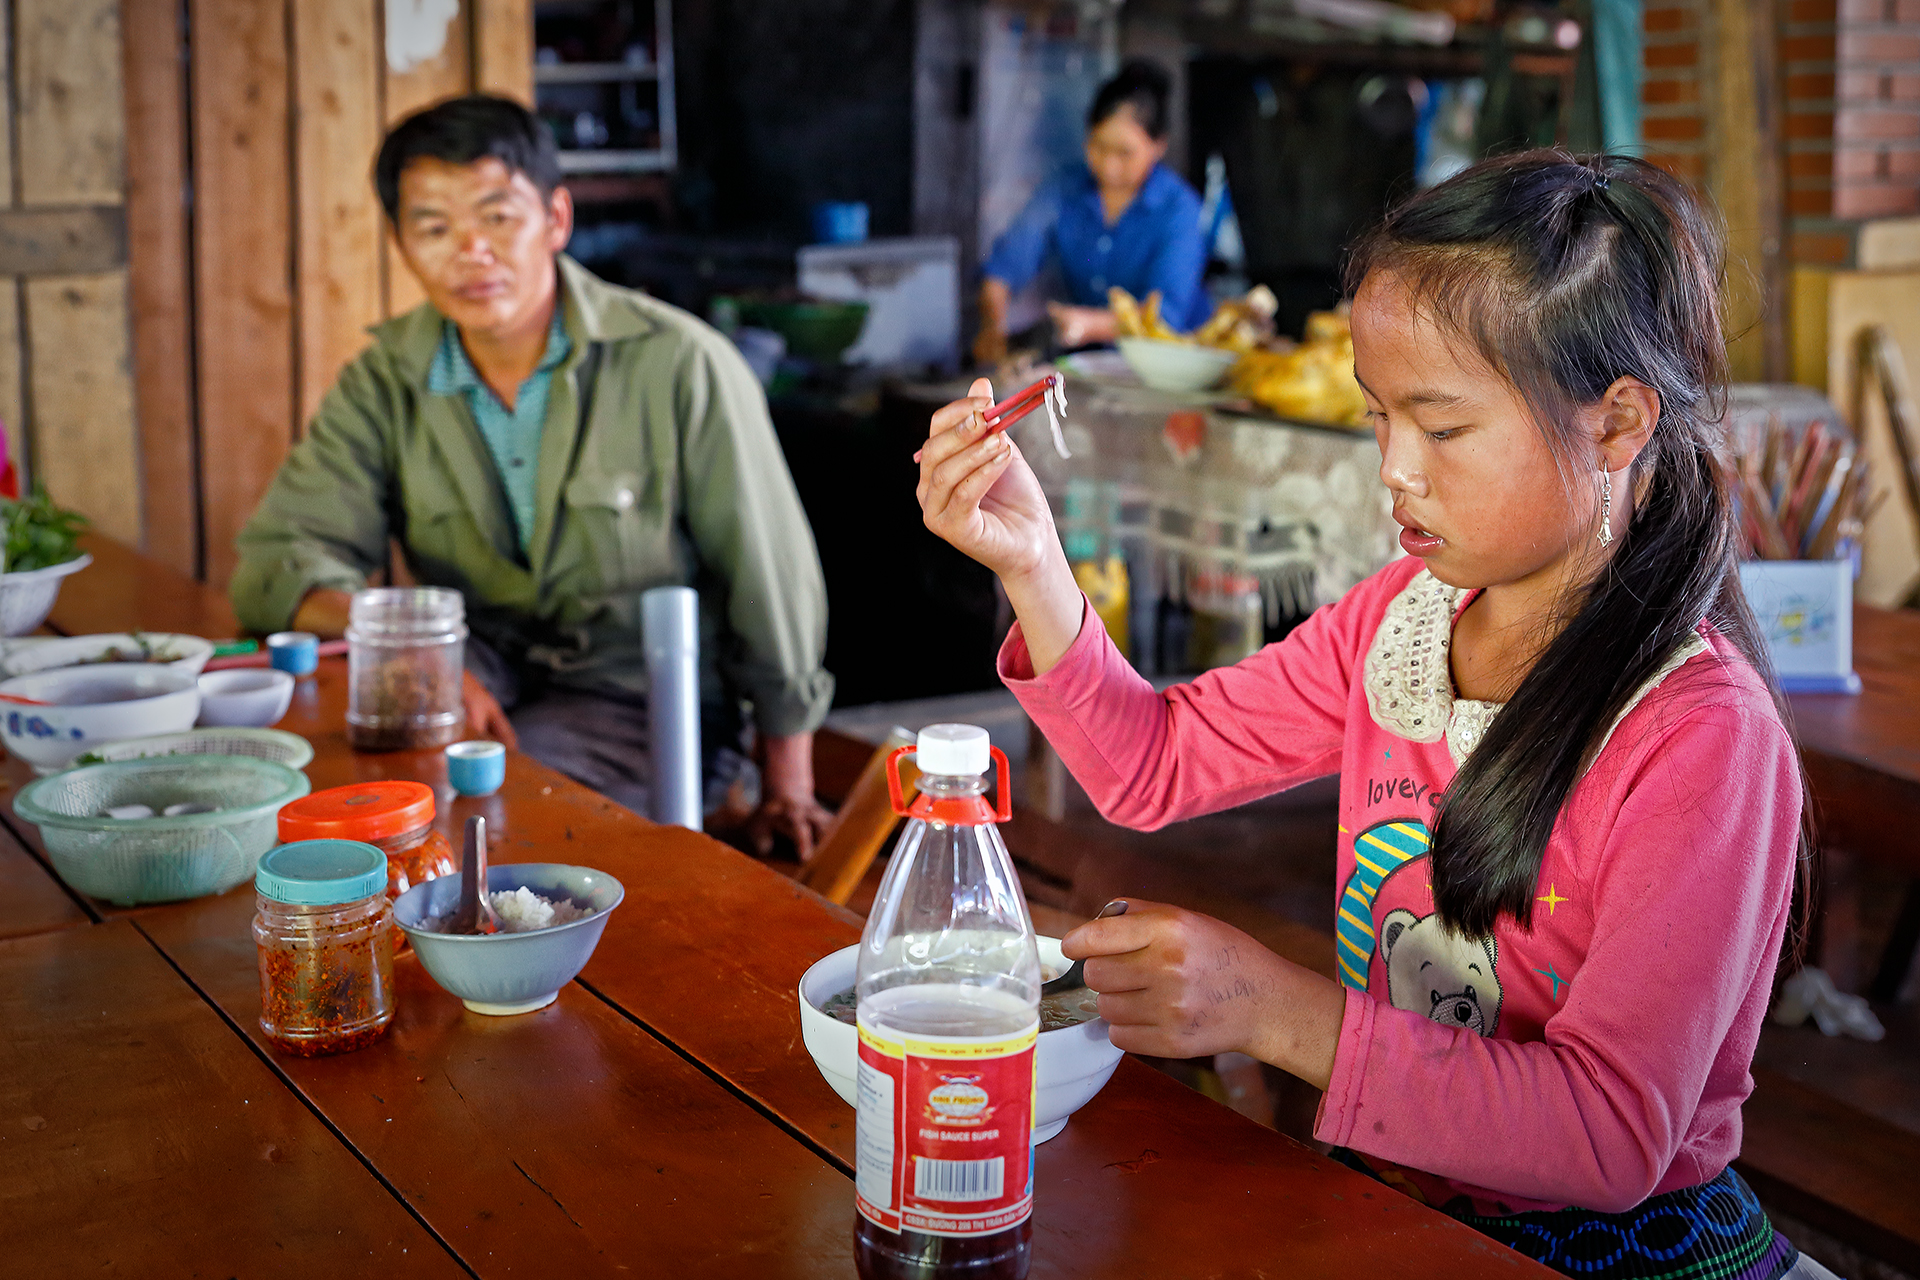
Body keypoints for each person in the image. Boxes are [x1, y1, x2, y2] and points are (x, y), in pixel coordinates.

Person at [919, 151, 1838, 1279]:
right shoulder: (1403, 624)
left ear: (1616, 423)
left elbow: (1609, 1135)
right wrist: (1034, 560)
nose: (1395, 467)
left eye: (1443, 429)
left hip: (1618, 1252)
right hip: (1397, 1210)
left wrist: (1267, 1008)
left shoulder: (1699, 736)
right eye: (1378, 415)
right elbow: (1150, 762)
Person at [231, 95, 835, 857]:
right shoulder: (385, 380)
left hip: (642, 703)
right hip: (467, 683)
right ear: (399, 243)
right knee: (328, 801)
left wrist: (789, 786)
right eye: (434, 227)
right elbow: (274, 568)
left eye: (497, 217)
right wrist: (419, 653)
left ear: (555, 219)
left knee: (480, 832)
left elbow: (767, 579)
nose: (470, 252)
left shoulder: (679, 364)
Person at [973, 59, 1208, 366]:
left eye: (1125, 153)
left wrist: (1088, 324)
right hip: (1097, 366)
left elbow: (1166, 316)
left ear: (1158, 146)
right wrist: (992, 327)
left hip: (1176, 365)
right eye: (1098, 147)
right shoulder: (1062, 191)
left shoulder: (1179, 210)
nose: (1109, 166)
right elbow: (1004, 267)